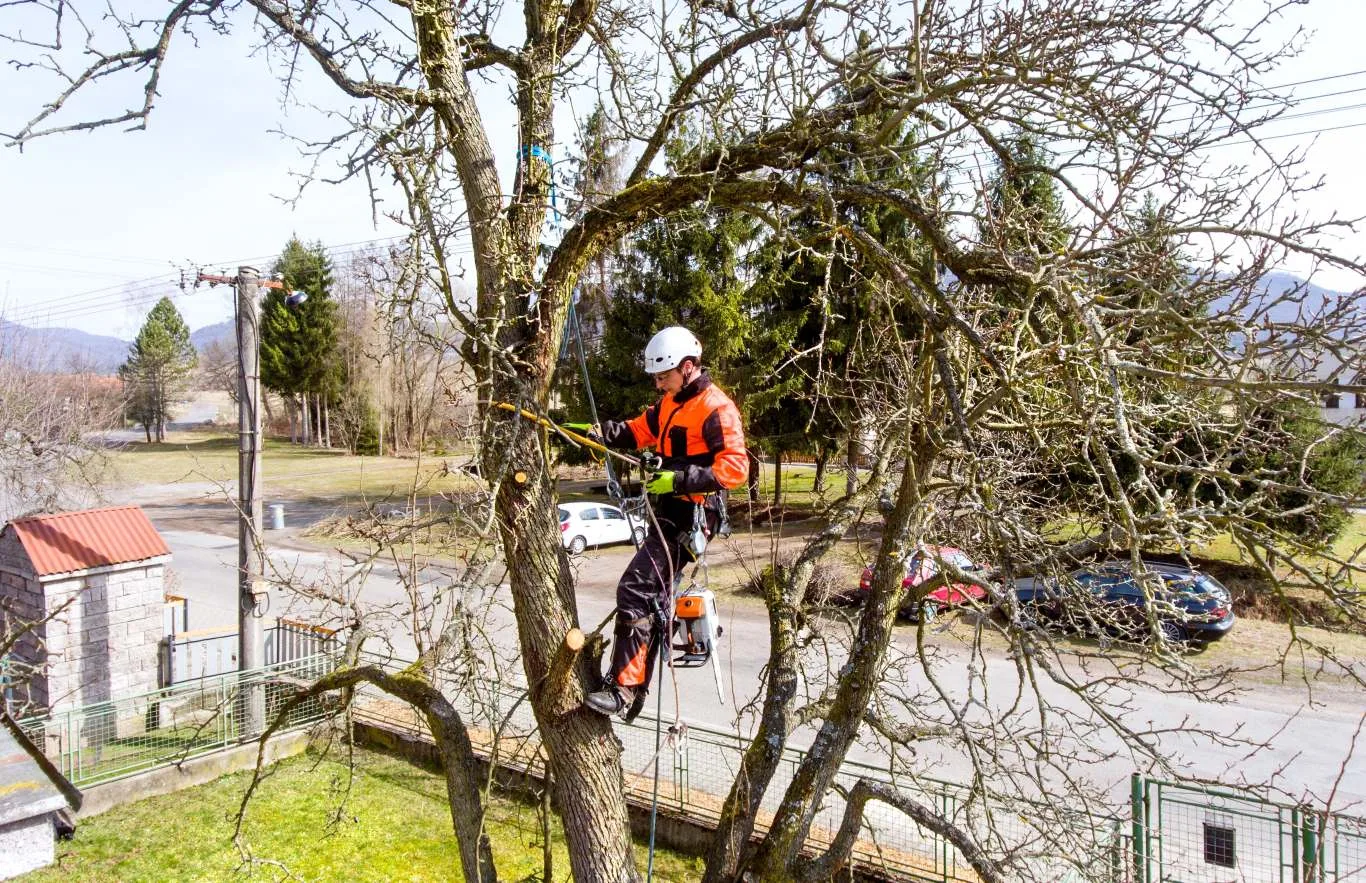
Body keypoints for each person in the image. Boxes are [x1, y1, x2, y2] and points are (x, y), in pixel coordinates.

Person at [576, 326, 747, 717]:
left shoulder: (716, 408)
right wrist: (600, 433)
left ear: (687, 367)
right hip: (667, 512)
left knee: (635, 590)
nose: (658, 384)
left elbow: (736, 468)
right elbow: (640, 430)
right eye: (655, 377)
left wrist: (680, 478)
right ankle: (633, 690)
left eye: (664, 375)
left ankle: (624, 689)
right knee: (651, 600)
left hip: (690, 516)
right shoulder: (670, 403)